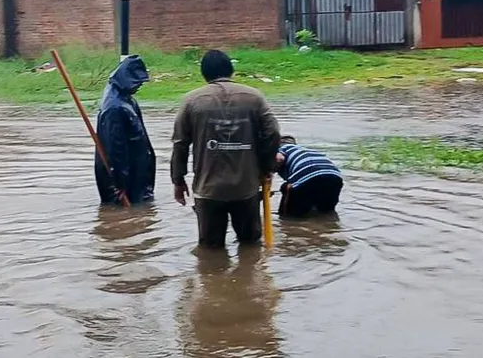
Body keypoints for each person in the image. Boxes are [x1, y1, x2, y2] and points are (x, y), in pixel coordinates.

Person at [171, 50, 280, 248]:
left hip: (208, 189)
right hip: (246, 187)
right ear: (231, 70)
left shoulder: (191, 101)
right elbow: (273, 133)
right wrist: (266, 167)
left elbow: (180, 143)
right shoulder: (254, 98)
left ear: (204, 74)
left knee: (211, 251)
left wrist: (178, 180)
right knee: (251, 247)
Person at [94, 55, 156, 205]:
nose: (140, 85)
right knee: (124, 216)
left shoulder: (126, 99)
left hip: (135, 173)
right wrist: (120, 182)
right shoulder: (114, 107)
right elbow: (115, 148)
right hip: (124, 179)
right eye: (138, 81)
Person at [274, 135, 343, 218]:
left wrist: (268, 171)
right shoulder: (304, 150)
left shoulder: (281, 148)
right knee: (326, 213)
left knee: (290, 217)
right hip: (335, 176)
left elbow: (279, 158)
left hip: (308, 175)